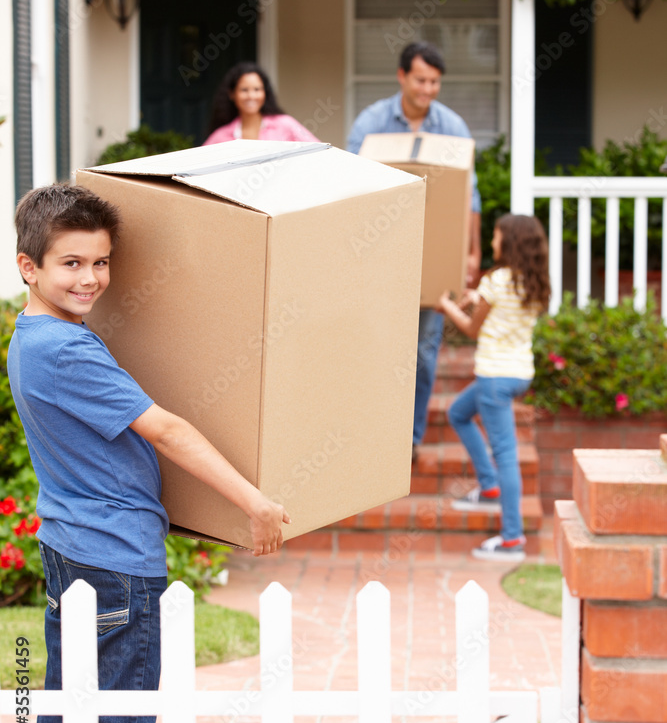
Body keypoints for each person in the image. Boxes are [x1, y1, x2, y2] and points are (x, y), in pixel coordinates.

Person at [7, 184, 289, 723]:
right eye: (71, 263)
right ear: (29, 268)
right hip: (115, 566)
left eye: (101, 263)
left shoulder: (34, 337)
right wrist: (253, 501)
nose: (91, 278)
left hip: (75, 553)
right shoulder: (67, 351)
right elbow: (164, 429)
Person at [346, 41, 482, 458]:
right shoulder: (371, 124)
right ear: (402, 76)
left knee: (423, 352)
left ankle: (409, 439)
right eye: (421, 79)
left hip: (433, 257)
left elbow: (469, 197)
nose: (428, 89)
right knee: (377, 345)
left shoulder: (452, 127)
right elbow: (349, 185)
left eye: (435, 82)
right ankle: (373, 432)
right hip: (382, 256)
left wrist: (471, 255)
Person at [437, 214, 550, 561]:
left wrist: (445, 305)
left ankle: (512, 538)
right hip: (518, 374)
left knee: (506, 456)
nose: (491, 243)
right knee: (458, 413)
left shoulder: (496, 280)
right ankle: (489, 486)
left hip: (494, 379)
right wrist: (477, 295)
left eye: (496, 237)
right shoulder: (533, 281)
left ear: (510, 242)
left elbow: (472, 329)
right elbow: (500, 310)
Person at [204, 61, 318, 144]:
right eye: (244, 90)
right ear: (232, 94)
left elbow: (319, 151)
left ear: (265, 93)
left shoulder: (285, 124)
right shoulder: (220, 136)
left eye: (257, 89)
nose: (251, 96)